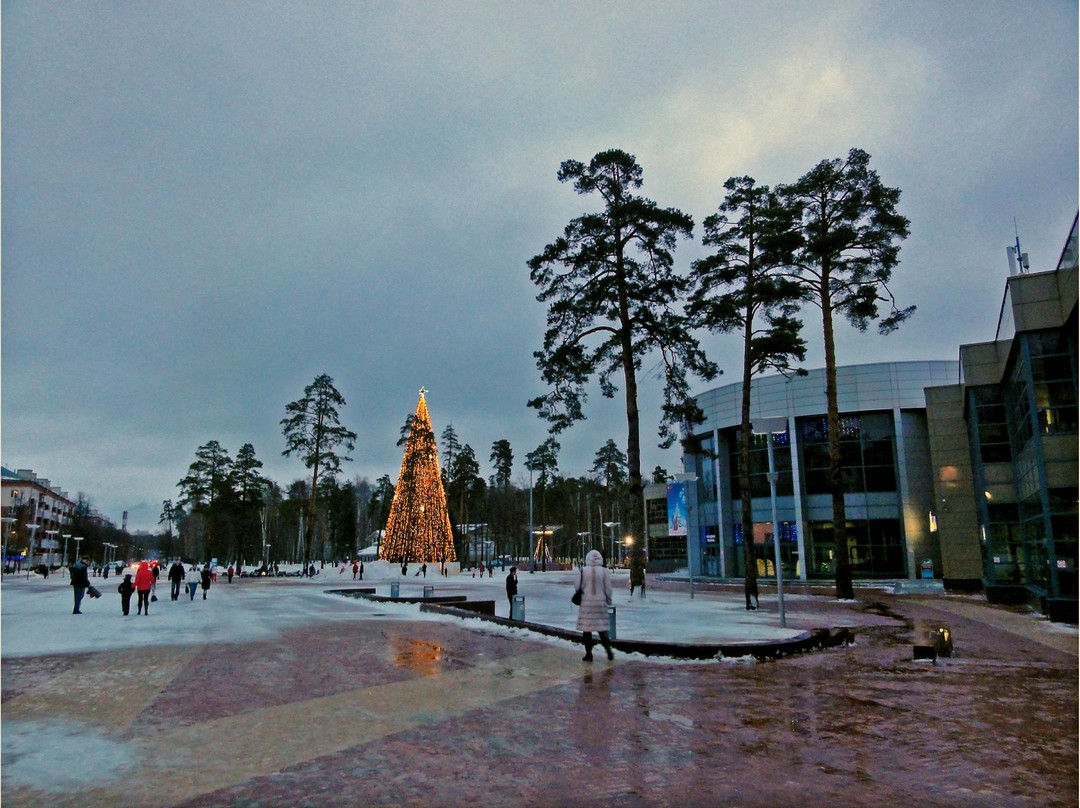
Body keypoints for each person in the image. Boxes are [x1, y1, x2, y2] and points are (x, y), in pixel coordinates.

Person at [575, 549, 614, 662]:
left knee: (587, 630)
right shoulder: (604, 571)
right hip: (600, 603)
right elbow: (608, 588)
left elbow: (577, 586)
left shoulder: (583, 571)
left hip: (587, 603)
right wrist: (609, 599)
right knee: (601, 628)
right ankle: (608, 650)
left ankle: (589, 654)